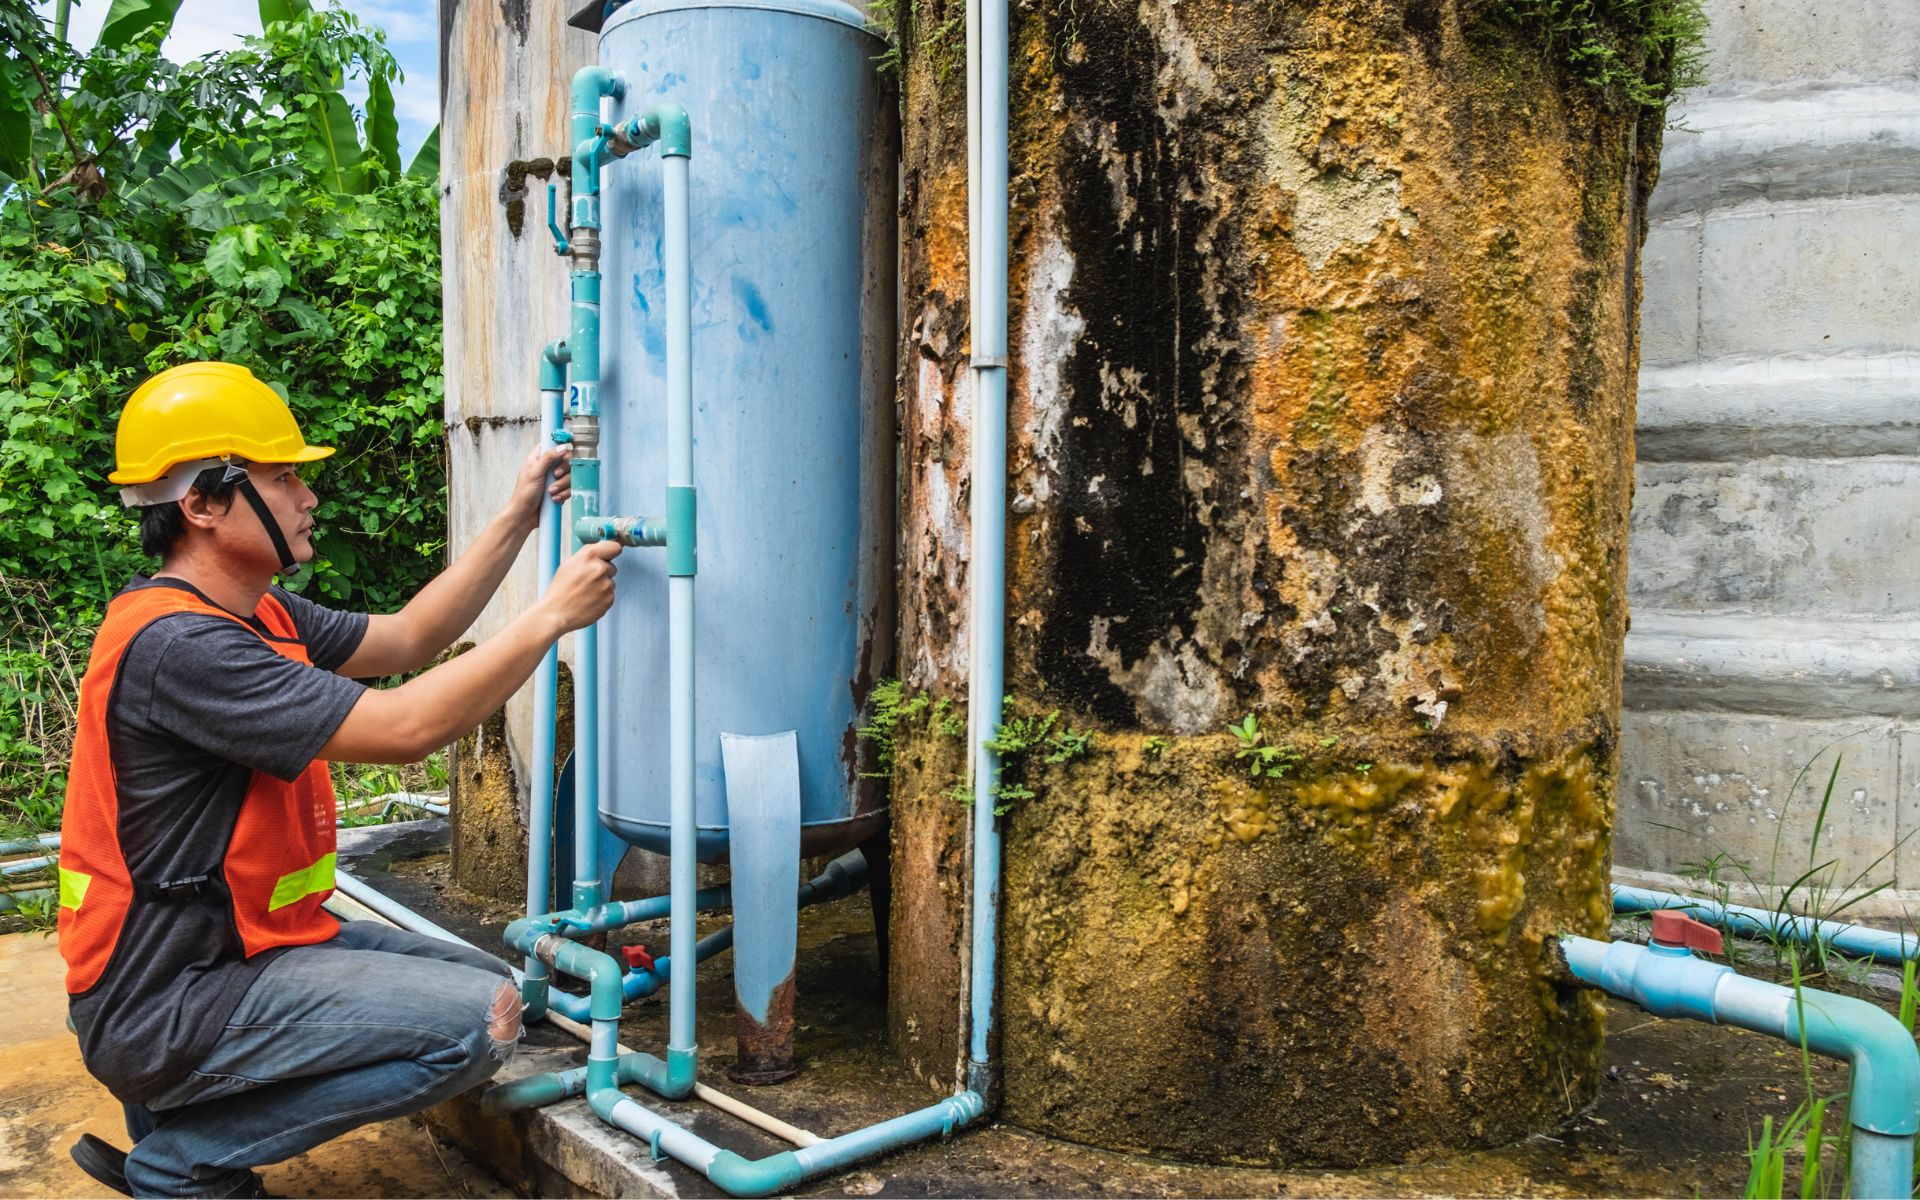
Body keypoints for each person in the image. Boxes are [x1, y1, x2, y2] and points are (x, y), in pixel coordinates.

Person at [55, 361, 621, 1198]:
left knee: (496, 988)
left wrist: (517, 516)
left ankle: (173, 1124)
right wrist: (551, 617)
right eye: (282, 478)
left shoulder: (257, 612)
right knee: (479, 1025)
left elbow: (407, 639)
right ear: (203, 504)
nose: (307, 496)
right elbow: (405, 728)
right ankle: (184, 1162)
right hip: (171, 998)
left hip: (237, 952)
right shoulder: (184, 647)